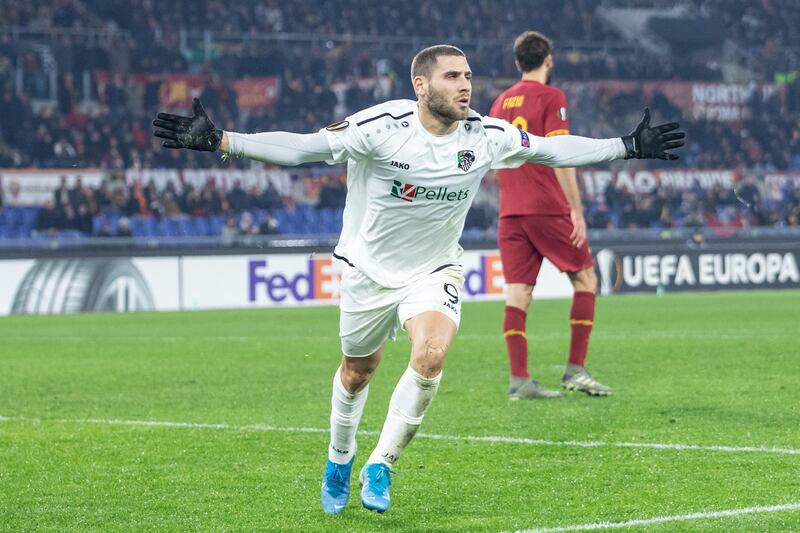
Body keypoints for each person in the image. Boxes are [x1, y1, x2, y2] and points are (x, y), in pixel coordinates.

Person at [152, 45, 684, 515]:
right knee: (358, 372)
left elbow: (550, 149)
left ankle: (381, 464)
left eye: (469, 75)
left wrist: (625, 147)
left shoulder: (486, 135)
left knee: (430, 355)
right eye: (452, 76)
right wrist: (224, 139)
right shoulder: (380, 129)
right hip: (368, 273)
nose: (466, 85)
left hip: (433, 270)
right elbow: (304, 147)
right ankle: (339, 458)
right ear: (421, 85)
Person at [489, 31, 612, 399]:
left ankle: (519, 380)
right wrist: (575, 207)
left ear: (516, 63)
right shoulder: (552, 96)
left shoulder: (499, 103)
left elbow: (494, 158)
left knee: (517, 294)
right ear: (549, 60)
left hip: (510, 211)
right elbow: (562, 154)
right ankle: (575, 369)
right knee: (586, 280)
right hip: (547, 206)